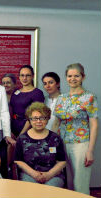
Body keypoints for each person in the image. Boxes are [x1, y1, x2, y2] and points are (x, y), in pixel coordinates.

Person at [52, 63, 98, 194]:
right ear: (66, 78)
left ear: (83, 77)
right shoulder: (61, 98)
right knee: (69, 182)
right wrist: (52, 142)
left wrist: (90, 150)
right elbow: (56, 122)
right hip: (62, 142)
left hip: (81, 143)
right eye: (70, 76)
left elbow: (94, 124)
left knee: (80, 183)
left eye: (76, 76)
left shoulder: (89, 97)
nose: (73, 79)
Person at [15, 102, 66, 187]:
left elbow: (62, 161)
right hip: (29, 175)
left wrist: (49, 174)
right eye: (35, 118)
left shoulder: (55, 138)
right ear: (29, 120)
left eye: (42, 118)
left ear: (47, 119)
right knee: (33, 191)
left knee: (49, 192)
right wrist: (34, 174)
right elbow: (18, 161)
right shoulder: (22, 138)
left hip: (53, 176)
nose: (38, 121)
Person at [10, 65, 45, 137]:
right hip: (14, 126)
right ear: (19, 77)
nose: (24, 78)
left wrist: (22, 133)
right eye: (22, 75)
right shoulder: (15, 92)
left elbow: (34, 115)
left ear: (33, 76)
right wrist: (9, 131)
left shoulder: (37, 93)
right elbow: (11, 110)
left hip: (29, 127)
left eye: (27, 75)